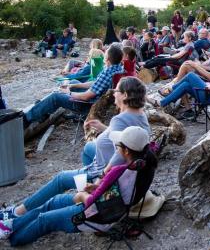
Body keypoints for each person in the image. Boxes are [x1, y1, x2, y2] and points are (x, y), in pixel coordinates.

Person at [1, 77, 150, 223]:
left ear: (125, 95)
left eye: (116, 90)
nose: (113, 93)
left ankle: (18, 212)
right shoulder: (140, 116)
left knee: (60, 179)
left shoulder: (119, 119)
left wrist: (101, 179)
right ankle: (85, 185)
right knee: (89, 147)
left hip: (109, 172)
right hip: (129, 169)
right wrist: (104, 129)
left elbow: (119, 155)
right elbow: (125, 137)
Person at [0, 126, 156, 246]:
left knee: (44, 220)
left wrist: (81, 195)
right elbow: (117, 193)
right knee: (53, 202)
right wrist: (95, 189)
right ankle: (11, 225)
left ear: (127, 151)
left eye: (118, 146)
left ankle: (13, 240)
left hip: (98, 217)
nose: (117, 148)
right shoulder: (144, 164)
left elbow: (90, 202)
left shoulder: (120, 171)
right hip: (111, 207)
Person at [21, 45, 124, 128]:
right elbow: (96, 83)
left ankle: (26, 119)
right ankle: (42, 112)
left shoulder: (107, 72)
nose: (103, 59)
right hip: (97, 101)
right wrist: (74, 84)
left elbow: (86, 96)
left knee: (55, 97)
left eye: (105, 57)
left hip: (87, 105)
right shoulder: (118, 68)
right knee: (71, 82)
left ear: (108, 59)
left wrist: (69, 93)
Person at [153, 47, 210, 112]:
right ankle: (162, 103)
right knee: (185, 85)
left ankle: (171, 89)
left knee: (191, 75)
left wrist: (209, 86)